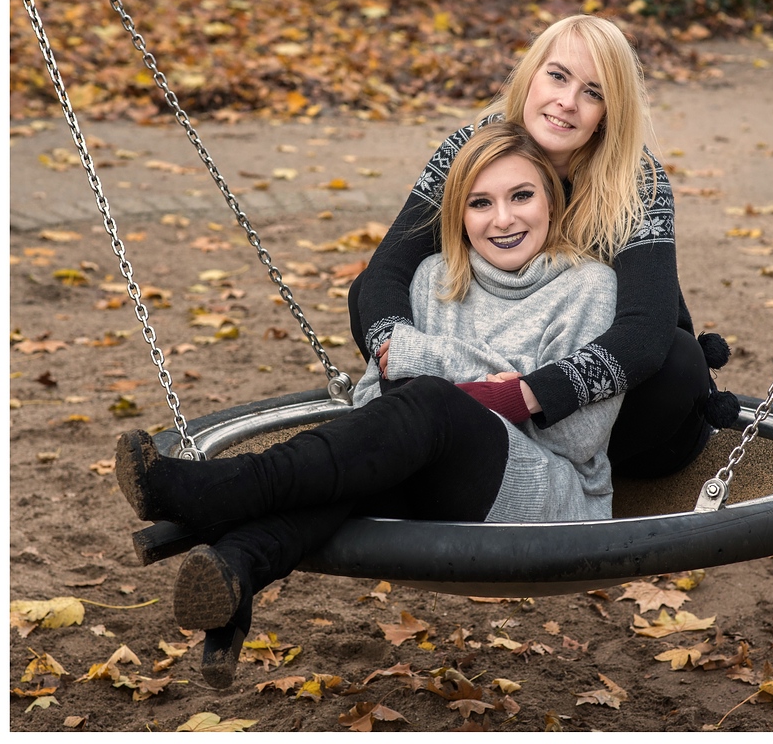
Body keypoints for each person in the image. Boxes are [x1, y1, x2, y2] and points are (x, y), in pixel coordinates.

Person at [115, 122, 622, 689]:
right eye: (481, 203)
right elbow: (373, 397)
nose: (502, 219)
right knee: (394, 433)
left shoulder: (590, 287)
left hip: (549, 499)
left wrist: (440, 372)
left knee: (426, 404)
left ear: (551, 201)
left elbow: (575, 438)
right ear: (459, 213)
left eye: (521, 196)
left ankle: (219, 491)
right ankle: (241, 563)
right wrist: (497, 386)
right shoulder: (435, 278)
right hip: (429, 476)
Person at [350, 14, 738, 480]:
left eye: (593, 93)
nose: (567, 102)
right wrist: (405, 357)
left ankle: (546, 461)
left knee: (678, 360)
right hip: (489, 363)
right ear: (531, 75)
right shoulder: (471, 149)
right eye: (557, 76)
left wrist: (523, 395)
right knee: (369, 295)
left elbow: (644, 332)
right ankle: (442, 429)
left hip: (614, 420)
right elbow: (389, 269)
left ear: (607, 114)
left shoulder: (636, 180)